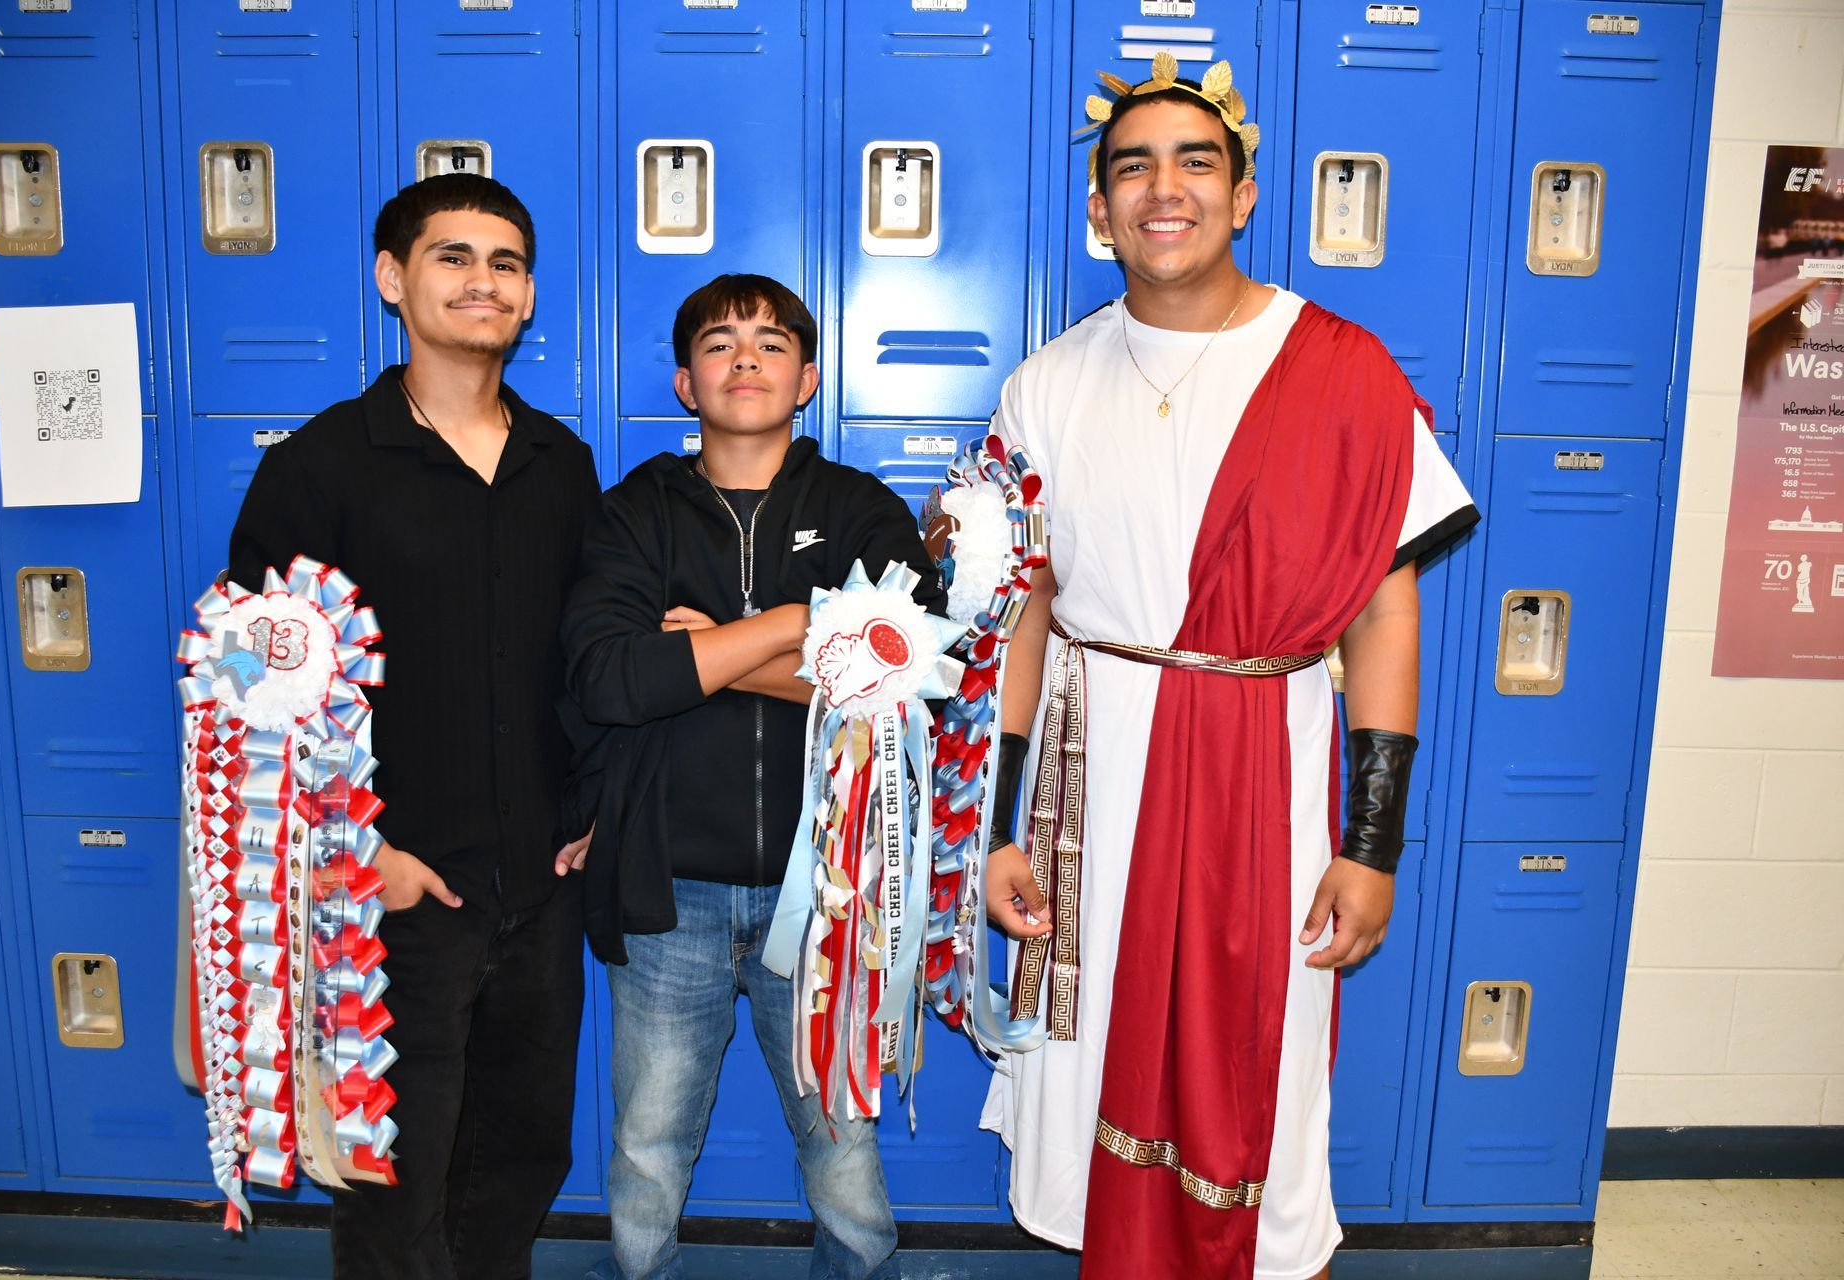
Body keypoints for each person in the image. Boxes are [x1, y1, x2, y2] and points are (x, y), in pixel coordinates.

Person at [976, 59, 1480, 1280]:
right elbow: (1022, 619)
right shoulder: (1046, 384)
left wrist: (1371, 843)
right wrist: (995, 828)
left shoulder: (1344, 373)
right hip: (1089, 787)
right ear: (1098, 209)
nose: (1165, 189)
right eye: (1131, 166)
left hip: (1269, 769)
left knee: (1262, 1066)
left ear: (1245, 194)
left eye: (1196, 162)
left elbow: (1381, 616)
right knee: (1088, 1059)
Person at [229, 173, 600, 1279]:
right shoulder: (320, 467)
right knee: (393, 1188)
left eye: (505, 263)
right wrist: (360, 853)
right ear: (394, 280)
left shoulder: (563, 464)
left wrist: (587, 813)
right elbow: (250, 690)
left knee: (522, 1158)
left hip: (537, 892)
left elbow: (589, 663)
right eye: (454, 257)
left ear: (528, 296)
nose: (482, 282)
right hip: (391, 898)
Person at [563, 273, 941, 1280]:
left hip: (823, 890)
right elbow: (613, 678)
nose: (745, 359)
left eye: (772, 343)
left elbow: (908, 682)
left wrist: (720, 649)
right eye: (720, 343)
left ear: (808, 377)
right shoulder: (636, 509)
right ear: (686, 381)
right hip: (668, 889)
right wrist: (800, 626)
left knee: (841, 1141)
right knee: (649, 1143)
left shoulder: (859, 510)